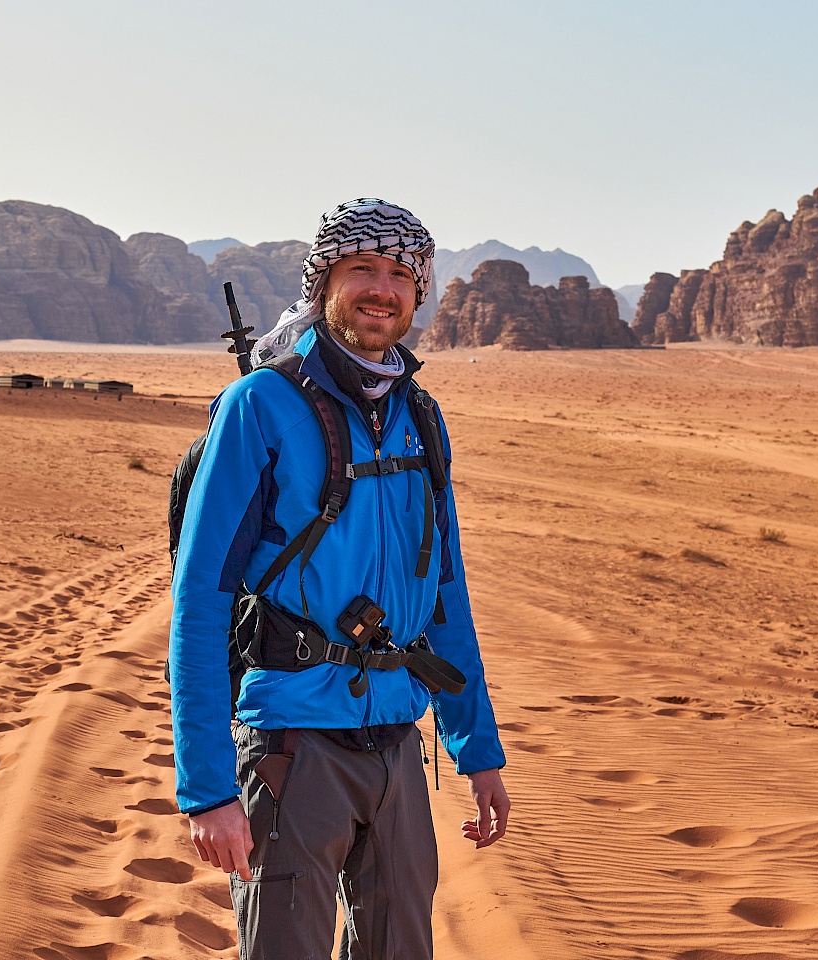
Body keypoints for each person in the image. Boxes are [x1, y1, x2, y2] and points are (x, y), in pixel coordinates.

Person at [170, 198, 509, 959]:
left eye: (400, 273)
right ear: (326, 280)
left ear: (418, 294)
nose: (381, 288)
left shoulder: (422, 416)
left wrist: (477, 751)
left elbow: (444, 596)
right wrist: (208, 789)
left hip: (396, 744)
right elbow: (200, 600)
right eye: (362, 268)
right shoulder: (258, 405)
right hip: (292, 747)